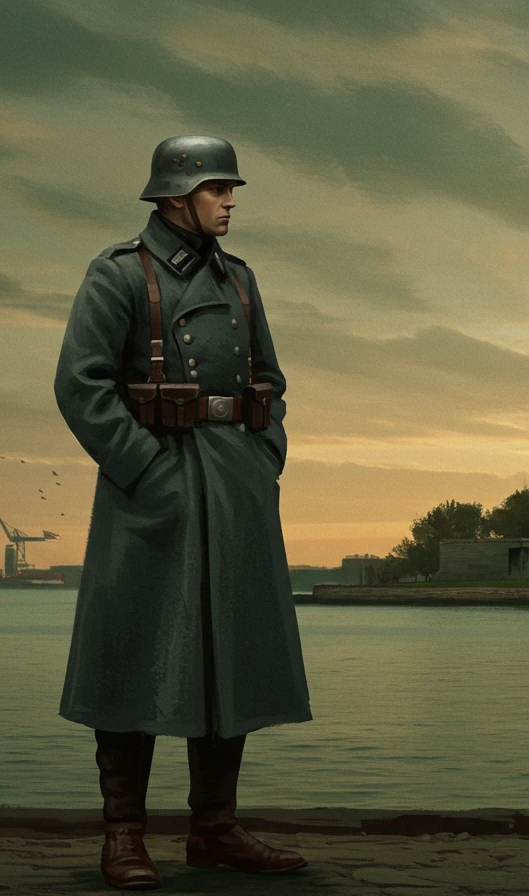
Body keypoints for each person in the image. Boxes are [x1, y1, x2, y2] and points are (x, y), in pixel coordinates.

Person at [53, 135, 312, 890]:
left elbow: (271, 377)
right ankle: (124, 835)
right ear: (175, 196)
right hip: (152, 487)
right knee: (132, 651)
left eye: (231, 189)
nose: (231, 201)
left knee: (229, 653)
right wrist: (147, 472)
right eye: (218, 189)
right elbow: (83, 387)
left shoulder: (239, 280)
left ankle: (215, 828)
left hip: (235, 482)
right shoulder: (118, 276)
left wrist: (265, 460)